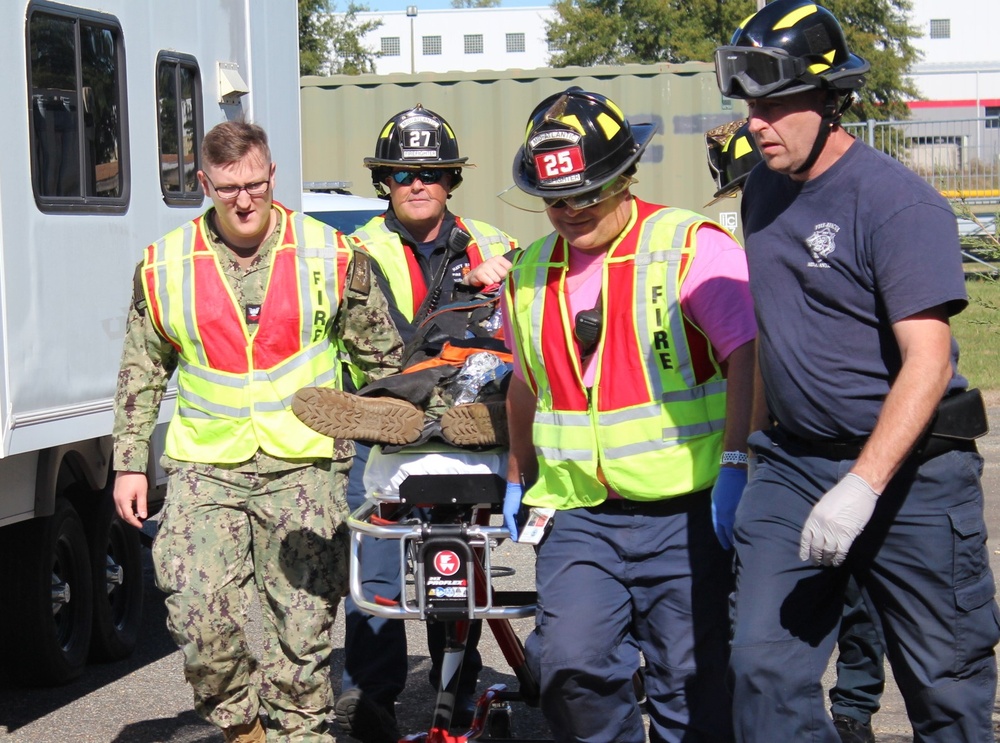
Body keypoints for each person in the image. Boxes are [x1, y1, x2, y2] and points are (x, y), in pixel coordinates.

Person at [713, 1, 999, 740]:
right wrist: (742, 457)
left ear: (829, 98)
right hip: (795, 465)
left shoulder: (898, 204)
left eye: (775, 104)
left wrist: (863, 486)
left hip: (911, 476)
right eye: (750, 104)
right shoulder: (762, 193)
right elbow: (775, 339)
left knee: (947, 688)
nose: (756, 122)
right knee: (761, 670)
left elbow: (928, 360)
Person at [111, 120, 404, 743]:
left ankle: (300, 734)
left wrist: (391, 454)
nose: (245, 201)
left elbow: (383, 365)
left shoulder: (332, 254)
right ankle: (243, 727)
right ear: (204, 184)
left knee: (301, 635)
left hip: (306, 471)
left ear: (272, 175)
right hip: (205, 470)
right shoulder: (165, 264)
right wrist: (130, 462)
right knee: (197, 616)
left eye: (256, 183)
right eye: (227, 189)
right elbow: (142, 369)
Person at [501, 87, 757, 742]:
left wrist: (736, 462)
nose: (569, 211)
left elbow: (748, 359)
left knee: (694, 681)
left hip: (689, 511)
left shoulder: (689, 248)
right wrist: (514, 474)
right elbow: (526, 385)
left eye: (586, 193)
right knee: (569, 667)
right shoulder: (527, 273)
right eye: (555, 199)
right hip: (579, 515)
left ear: (622, 176)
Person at [292, 105, 518, 743]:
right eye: (401, 173)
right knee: (379, 569)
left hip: (466, 422)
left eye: (430, 172)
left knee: (461, 557)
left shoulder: (498, 246)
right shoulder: (352, 250)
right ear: (384, 182)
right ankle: (373, 698)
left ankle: (456, 687)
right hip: (382, 425)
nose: (416, 184)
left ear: (450, 179)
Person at [705, 119, 886, 743]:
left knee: (861, 595)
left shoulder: (837, 214)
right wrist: (740, 461)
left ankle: (856, 711)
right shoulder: (748, 224)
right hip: (782, 450)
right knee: (763, 624)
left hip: (861, 446)